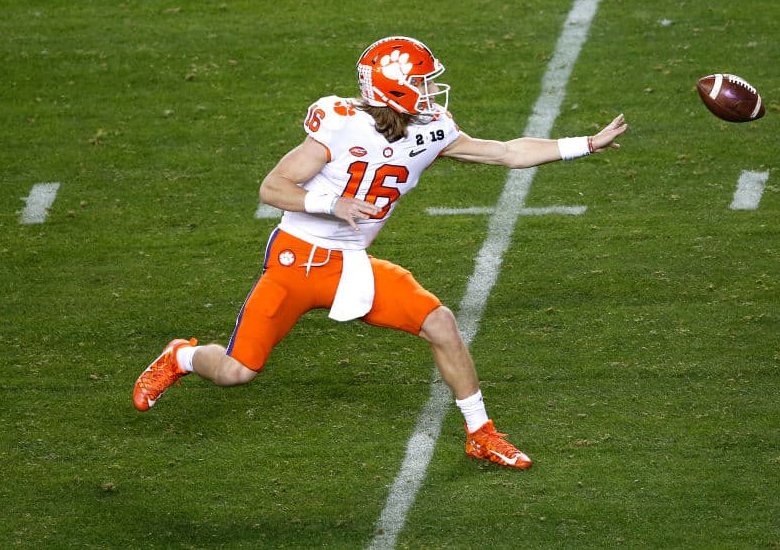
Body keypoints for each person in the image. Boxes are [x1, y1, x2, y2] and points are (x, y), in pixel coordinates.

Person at [133, 36, 627, 469]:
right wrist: (331, 202)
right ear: (396, 87)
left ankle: (480, 433)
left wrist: (585, 143)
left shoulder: (431, 129)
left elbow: (506, 152)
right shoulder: (340, 123)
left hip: (351, 264)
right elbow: (272, 187)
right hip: (296, 262)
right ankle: (184, 356)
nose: (433, 91)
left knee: (441, 323)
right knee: (236, 372)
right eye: (424, 82)